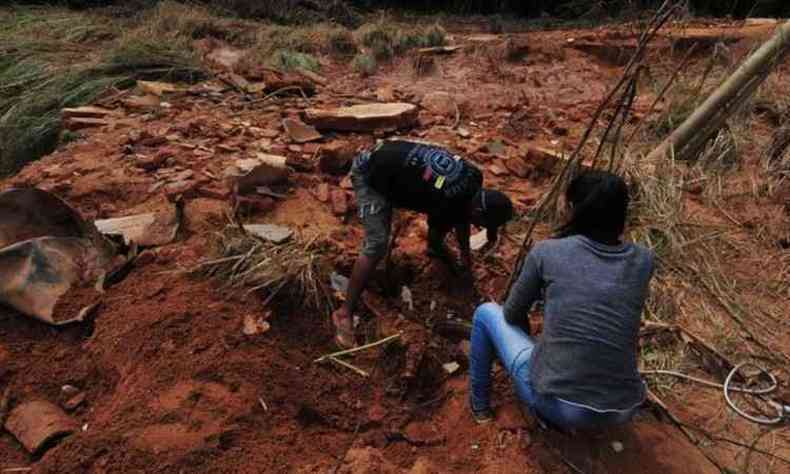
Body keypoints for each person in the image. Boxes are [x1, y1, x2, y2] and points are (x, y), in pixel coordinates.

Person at [468, 170, 654, 430]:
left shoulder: (548, 252)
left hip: (565, 409)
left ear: (575, 209)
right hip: (623, 409)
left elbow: (511, 314)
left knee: (486, 312)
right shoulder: (644, 260)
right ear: (622, 213)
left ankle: (480, 408)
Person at [332, 140, 514, 348]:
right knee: (376, 245)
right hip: (370, 172)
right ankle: (344, 313)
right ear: (478, 212)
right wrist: (456, 265)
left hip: (391, 157)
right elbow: (435, 241)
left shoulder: (473, 177)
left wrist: (466, 257)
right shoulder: (447, 200)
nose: (478, 226)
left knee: (414, 220)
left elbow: (462, 217)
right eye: (482, 224)